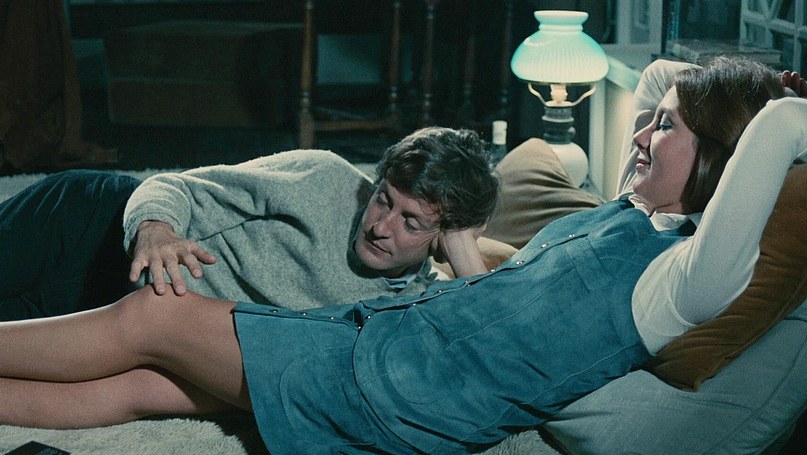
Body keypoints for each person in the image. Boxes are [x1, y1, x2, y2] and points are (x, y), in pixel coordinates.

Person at [0, 57, 807, 455]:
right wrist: (721, 95)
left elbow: (762, 146)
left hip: (390, 383)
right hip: (380, 351)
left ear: (723, 157)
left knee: (153, 318)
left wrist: (792, 108)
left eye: (665, 127)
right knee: (150, 384)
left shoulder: (683, 283)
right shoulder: (631, 215)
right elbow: (657, 80)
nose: (642, 132)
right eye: (649, 122)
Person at [0, 126, 499, 320]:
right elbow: (173, 186)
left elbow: (495, 336)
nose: (380, 226)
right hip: (92, 225)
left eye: (411, 222)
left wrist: (460, 245)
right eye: (383, 199)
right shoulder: (324, 177)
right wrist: (156, 231)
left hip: (100, 310)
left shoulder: (412, 304)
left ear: (443, 238)